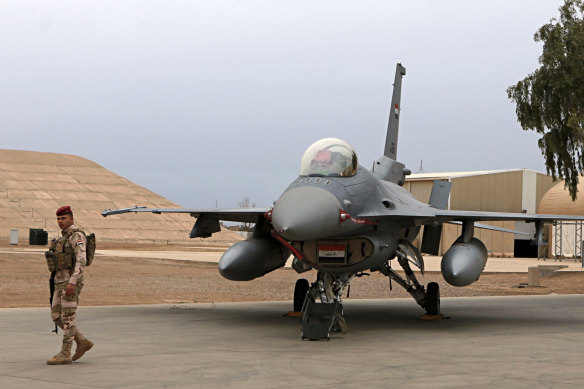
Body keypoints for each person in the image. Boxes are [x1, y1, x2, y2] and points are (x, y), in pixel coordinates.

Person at [45, 205, 94, 365]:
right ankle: (82, 341)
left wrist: (72, 282)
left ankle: (65, 353)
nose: (60, 221)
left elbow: (81, 260)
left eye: (63, 218)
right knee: (56, 315)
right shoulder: (63, 237)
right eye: (58, 219)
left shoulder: (76, 236)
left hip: (70, 282)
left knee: (68, 317)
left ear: (71, 219)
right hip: (60, 282)